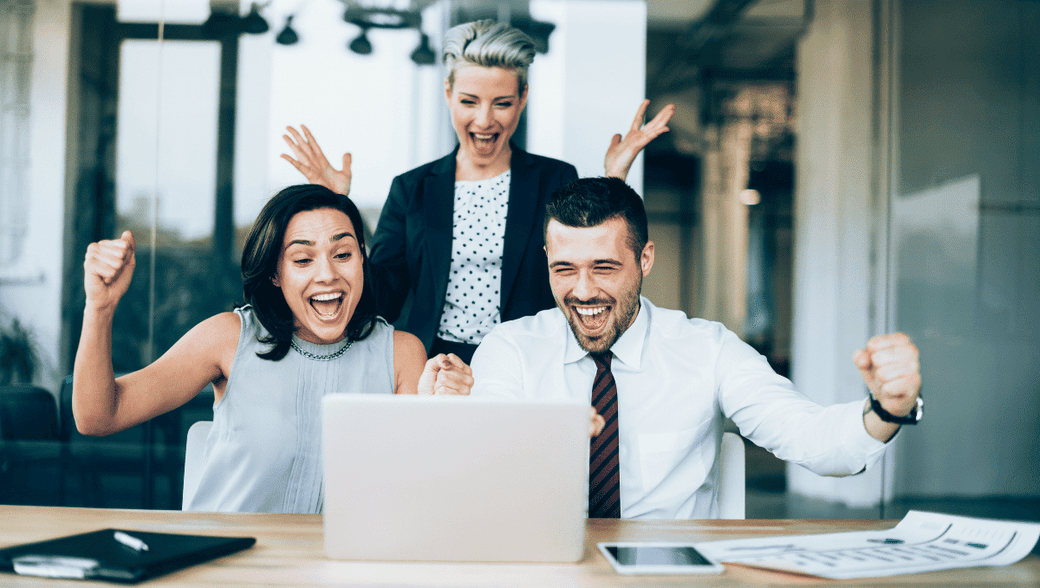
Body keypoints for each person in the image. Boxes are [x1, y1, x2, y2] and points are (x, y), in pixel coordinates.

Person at [468, 177, 923, 519]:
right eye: (564, 268)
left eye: (604, 267)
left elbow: (812, 440)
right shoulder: (511, 349)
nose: (583, 291)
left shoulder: (709, 350)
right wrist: (542, 440)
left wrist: (886, 409)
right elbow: (484, 470)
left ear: (645, 259)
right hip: (550, 571)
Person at [282, 20, 675, 363]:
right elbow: (381, 294)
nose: (484, 120)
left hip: (528, 361)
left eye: (501, 103)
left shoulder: (553, 179)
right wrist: (337, 206)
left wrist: (615, 177)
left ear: (522, 98)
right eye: (469, 101)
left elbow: (589, 251)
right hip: (432, 364)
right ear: (449, 92)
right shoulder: (412, 188)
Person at [73, 184, 472, 514]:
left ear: (362, 262)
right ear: (276, 274)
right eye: (303, 258)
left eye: (343, 254)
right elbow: (98, 416)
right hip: (226, 570)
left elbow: (413, 499)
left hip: (337, 573)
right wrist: (100, 308)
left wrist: (444, 415)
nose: (327, 274)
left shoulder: (401, 354)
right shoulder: (229, 337)